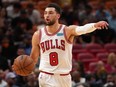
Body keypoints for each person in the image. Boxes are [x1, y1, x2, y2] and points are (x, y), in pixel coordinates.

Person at [12, 3, 108, 87]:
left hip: (64, 77)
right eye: (45, 13)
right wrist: (21, 67)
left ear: (58, 16)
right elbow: (33, 59)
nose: (47, 15)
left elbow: (81, 29)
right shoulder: (38, 35)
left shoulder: (67, 30)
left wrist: (94, 25)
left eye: (50, 13)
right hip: (46, 76)